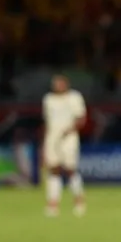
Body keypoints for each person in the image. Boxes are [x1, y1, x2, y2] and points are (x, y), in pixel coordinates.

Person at [42, 74, 87, 216]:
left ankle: (79, 201)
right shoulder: (48, 99)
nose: (58, 86)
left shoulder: (74, 97)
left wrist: (70, 130)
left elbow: (81, 118)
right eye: (56, 84)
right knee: (53, 169)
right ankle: (53, 204)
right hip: (52, 137)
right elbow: (47, 121)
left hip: (69, 137)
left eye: (60, 83)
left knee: (70, 169)